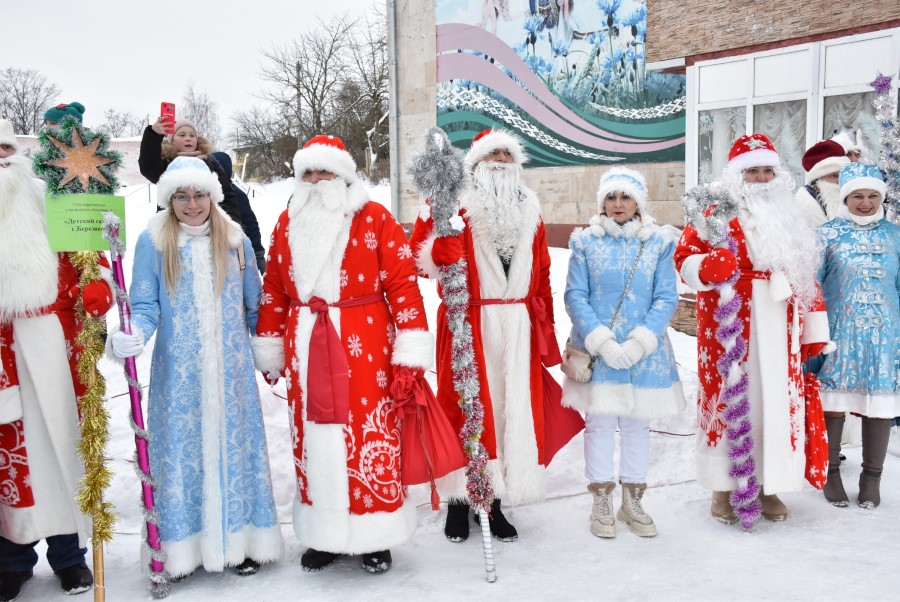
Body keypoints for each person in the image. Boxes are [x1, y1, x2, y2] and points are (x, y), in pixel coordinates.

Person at [252, 135, 433, 574]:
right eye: (308, 173)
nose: (316, 181)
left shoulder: (375, 218)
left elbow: (402, 283)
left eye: (325, 172)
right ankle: (325, 533)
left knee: (370, 434)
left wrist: (410, 346)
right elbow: (274, 287)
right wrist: (270, 343)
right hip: (305, 346)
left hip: (365, 346)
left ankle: (376, 534)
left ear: (344, 176)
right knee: (313, 435)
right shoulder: (287, 221)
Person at [110, 157, 283, 579]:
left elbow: (254, 305)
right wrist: (133, 333)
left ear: (213, 195)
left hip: (231, 374)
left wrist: (268, 349)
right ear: (169, 200)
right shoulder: (154, 241)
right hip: (180, 374)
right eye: (182, 197)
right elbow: (145, 304)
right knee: (181, 457)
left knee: (235, 451)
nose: (192, 204)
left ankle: (242, 542)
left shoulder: (235, 240)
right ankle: (180, 550)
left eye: (199, 194)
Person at [409, 128, 560, 543]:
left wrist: (545, 329)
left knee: (508, 409)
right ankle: (459, 500)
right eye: (492, 155)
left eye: (507, 155)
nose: (500, 162)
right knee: (466, 409)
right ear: (474, 164)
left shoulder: (530, 209)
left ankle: (491, 500)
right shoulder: (449, 202)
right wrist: (437, 249)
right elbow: (417, 259)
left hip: (516, 326)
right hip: (468, 322)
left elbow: (542, 272)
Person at [674, 133, 831, 524]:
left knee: (773, 401)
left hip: (780, 322)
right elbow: (684, 257)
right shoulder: (714, 211)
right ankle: (723, 486)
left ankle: (768, 484)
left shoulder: (790, 214)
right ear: (736, 174)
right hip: (729, 318)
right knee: (731, 397)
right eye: (752, 171)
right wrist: (705, 268)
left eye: (767, 171)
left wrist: (814, 330)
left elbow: (807, 276)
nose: (761, 178)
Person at [0, 118, 114, 599]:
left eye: (5, 149)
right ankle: (13, 561)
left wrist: (98, 283)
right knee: (14, 456)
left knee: (67, 442)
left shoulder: (51, 197)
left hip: (58, 339)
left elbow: (90, 247)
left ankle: (69, 557)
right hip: (4, 348)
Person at [562, 167, 684, 539]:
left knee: (636, 425)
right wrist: (602, 341)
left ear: (638, 202)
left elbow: (666, 296)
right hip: (598, 351)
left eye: (625, 196)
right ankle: (601, 500)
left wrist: (640, 341)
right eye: (611, 197)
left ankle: (632, 501)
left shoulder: (658, 243)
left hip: (645, 354)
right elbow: (575, 296)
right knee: (599, 425)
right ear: (602, 202)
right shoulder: (585, 243)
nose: (618, 204)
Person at [815, 163, 899, 509]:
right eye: (857, 196)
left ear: (881, 197)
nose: (865, 203)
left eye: (872, 196)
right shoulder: (826, 234)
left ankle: (872, 478)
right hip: (839, 334)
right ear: (845, 198)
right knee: (834, 403)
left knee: (879, 406)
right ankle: (830, 474)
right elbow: (813, 284)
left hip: (885, 336)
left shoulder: (895, 235)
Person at [138, 116, 242, 224]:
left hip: (208, 227)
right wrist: (153, 134)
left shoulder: (210, 162)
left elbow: (226, 196)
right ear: (171, 141)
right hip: (172, 227)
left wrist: (232, 225)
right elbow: (148, 168)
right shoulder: (167, 163)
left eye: (192, 135)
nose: (188, 138)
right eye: (182, 135)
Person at [210, 151, 266, 273]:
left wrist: (258, 252)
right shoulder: (205, 194)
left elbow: (250, 224)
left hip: (235, 252)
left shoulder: (236, 195)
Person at [795, 139, 849, 226]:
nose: (840, 180)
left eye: (844, 175)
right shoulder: (804, 204)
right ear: (817, 180)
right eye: (833, 176)